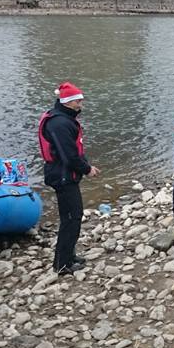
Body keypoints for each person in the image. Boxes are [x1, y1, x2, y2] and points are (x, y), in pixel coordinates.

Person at [39, 82, 101, 275]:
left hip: (66, 175)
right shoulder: (59, 124)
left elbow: (74, 150)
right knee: (71, 218)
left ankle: (68, 256)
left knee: (74, 216)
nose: (80, 104)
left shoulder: (64, 119)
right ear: (67, 102)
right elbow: (69, 156)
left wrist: (86, 165)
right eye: (78, 101)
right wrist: (87, 169)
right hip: (62, 176)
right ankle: (62, 264)